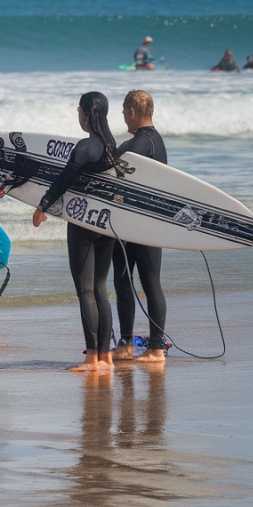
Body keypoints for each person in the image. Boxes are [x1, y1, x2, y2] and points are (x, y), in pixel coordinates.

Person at [32, 92, 129, 373]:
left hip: (84, 224)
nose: (78, 115)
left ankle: (91, 359)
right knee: (100, 288)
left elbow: (64, 180)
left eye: (79, 111)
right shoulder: (114, 148)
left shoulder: (86, 148)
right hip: (107, 224)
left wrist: (42, 207)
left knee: (85, 290)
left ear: (86, 113)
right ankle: (106, 357)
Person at [112, 90, 168, 365]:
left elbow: (120, 173)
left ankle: (156, 348)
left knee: (147, 282)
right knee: (124, 280)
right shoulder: (152, 141)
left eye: (124, 112)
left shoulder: (142, 143)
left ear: (132, 111)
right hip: (139, 224)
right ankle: (126, 345)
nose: (123, 117)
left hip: (141, 226)